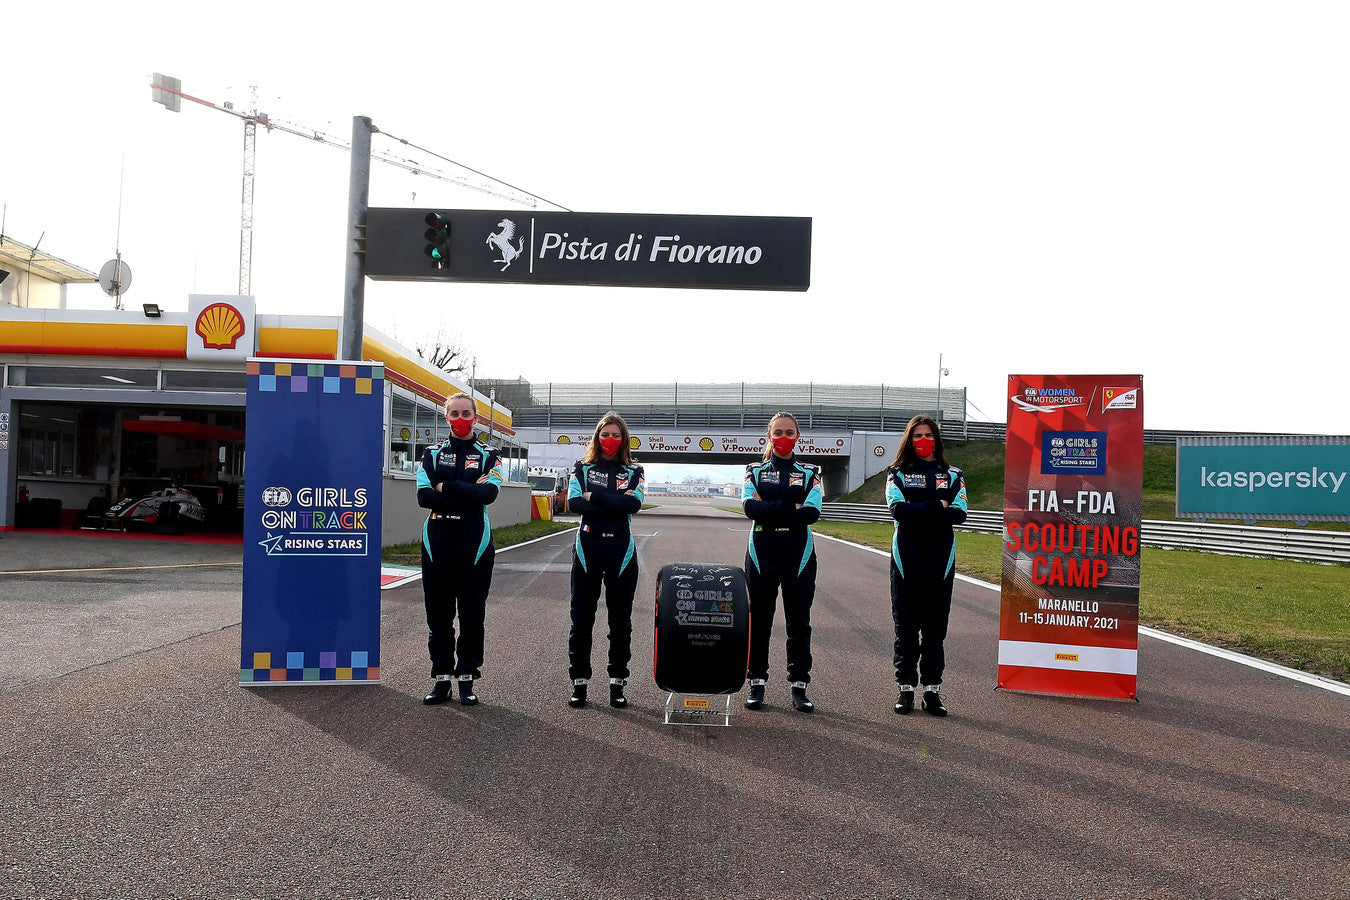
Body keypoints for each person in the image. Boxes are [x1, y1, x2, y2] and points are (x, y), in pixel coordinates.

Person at [416, 393, 504, 706]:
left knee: (471, 616)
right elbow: (424, 497)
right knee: (438, 617)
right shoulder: (431, 453)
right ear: (446, 417)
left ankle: (466, 678)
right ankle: (442, 679)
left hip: (475, 546)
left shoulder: (491, 454)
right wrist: (468, 491)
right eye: (454, 413)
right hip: (437, 543)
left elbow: (489, 493)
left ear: (476, 417)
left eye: (466, 412)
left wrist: (445, 486)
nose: (460, 418)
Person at [741, 411, 823, 713]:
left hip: (798, 554)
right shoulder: (754, 471)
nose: (784, 438)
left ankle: (799, 685)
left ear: (798, 437)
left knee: (799, 622)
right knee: (759, 620)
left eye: (790, 432)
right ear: (769, 436)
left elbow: (812, 513)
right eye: (778, 432)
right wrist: (793, 505)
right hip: (762, 553)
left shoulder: (812, 471)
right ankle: (757, 682)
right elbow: (750, 508)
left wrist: (771, 508)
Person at [885, 415, 967, 716]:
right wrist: (938, 505)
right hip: (906, 558)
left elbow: (959, 514)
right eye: (917, 436)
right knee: (905, 627)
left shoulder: (954, 474)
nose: (923, 441)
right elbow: (898, 510)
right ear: (909, 439)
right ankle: (905, 688)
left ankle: (932, 691)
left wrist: (920, 508)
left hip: (941, 559)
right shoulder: (897, 473)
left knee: (936, 629)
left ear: (937, 439)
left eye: (928, 435)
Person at [566, 411, 646, 709]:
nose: (610, 440)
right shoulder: (582, 468)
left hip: (621, 552)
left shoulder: (634, 471)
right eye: (605, 434)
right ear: (597, 437)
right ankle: (579, 683)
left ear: (623, 439)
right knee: (581, 620)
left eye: (616, 435)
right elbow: (574, 503)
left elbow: (633, 504)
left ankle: (617, 683)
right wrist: (613, 501)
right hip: (587, 549)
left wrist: (594, 497)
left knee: (620, 622)